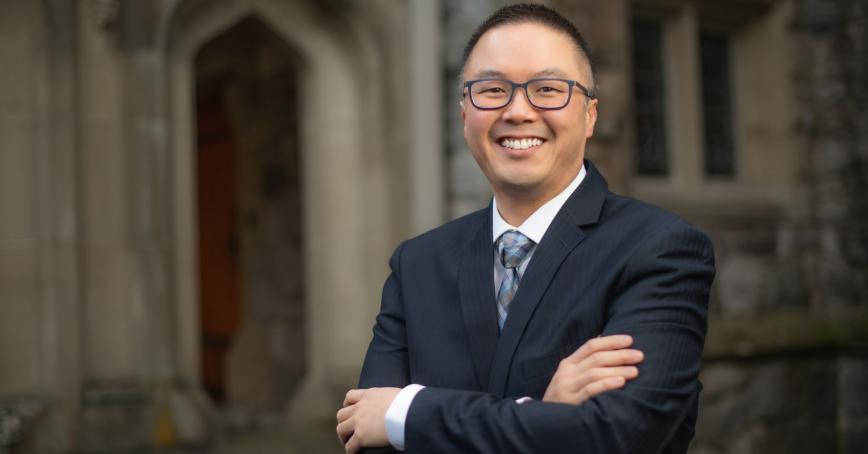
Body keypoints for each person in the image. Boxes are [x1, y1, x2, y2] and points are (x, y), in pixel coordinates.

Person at [336, 4, 715, 453]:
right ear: (464, 115)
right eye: (492, 89)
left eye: (548, 89)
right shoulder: (416, 264)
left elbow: (617, 436)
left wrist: (409, 413)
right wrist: (541, 409)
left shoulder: (659, 250)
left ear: (591, 115)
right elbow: (366, 437)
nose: (518, 111)